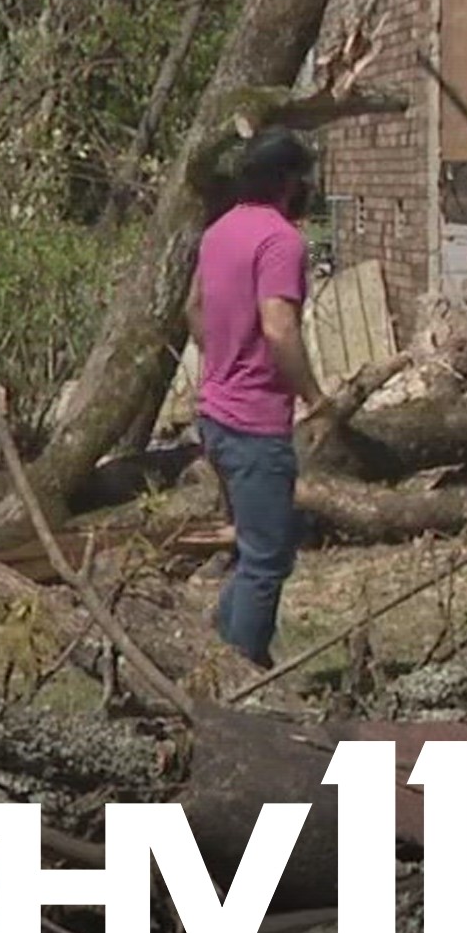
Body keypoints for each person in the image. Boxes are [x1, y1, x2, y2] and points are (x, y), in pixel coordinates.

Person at [187, 126, 330, 667]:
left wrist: (221, 356)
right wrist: (314, 396)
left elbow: (193, 308)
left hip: (215, 418)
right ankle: (239, 677)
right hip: (254, 425)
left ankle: (214, 654)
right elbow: (279, 328)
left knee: (252, 550)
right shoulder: (281, 240)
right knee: (267, 562)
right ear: (290, 182)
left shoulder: (218, 232)